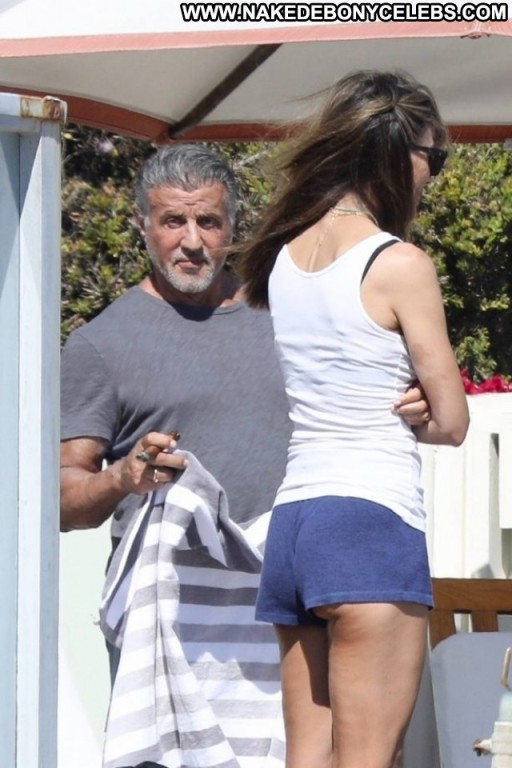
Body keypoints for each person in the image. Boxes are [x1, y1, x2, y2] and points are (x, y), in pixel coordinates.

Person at [60, 143, 431, 763]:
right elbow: (64, 498)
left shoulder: (286, 308)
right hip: (177, 623)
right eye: (172, 221)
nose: (191, 241)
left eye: (208, 221)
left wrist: (414, 401)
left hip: (291, 600)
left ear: (233, 225)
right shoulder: (101, 344)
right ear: (141, 224)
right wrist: (123, 477)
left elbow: (366, 396)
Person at [237, 70, 470, 768]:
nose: (431, 176)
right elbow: (453, 420)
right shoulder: (399, 263)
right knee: (369, 759)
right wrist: (423, 402)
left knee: (308, 759)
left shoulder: (284, 260)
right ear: (397, 151)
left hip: (296, 523)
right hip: (370, 518)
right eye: (434, 157)